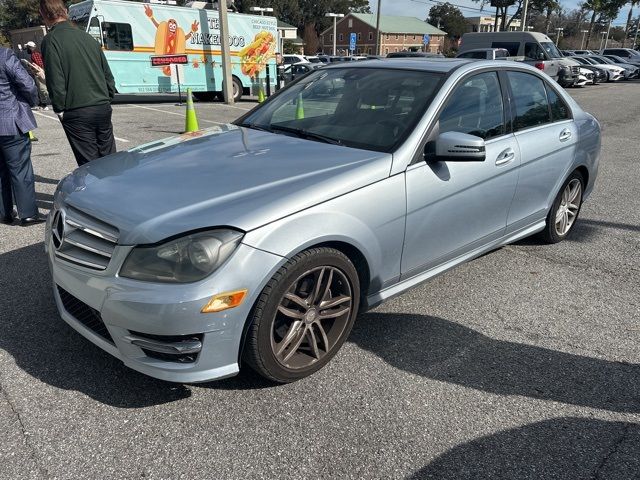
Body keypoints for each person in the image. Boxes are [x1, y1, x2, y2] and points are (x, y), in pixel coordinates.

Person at [40, 0, 117, 166]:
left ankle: (96, 192)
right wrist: (108, 96)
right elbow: (107, 74)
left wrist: (59, 108)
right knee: (109, 159)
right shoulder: (87, 37)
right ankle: (116, 189)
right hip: (102, 106)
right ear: (66, 11)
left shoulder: (51, 40)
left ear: (44, 15)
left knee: (89, 165)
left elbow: (55, 79)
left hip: (77, 110)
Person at [0, 46, 43, 226]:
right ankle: (28, 213)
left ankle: (4, 213)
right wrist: (32, 101)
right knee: (20, 169)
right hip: (9, 119)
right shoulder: (4, 54)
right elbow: (27, 83)